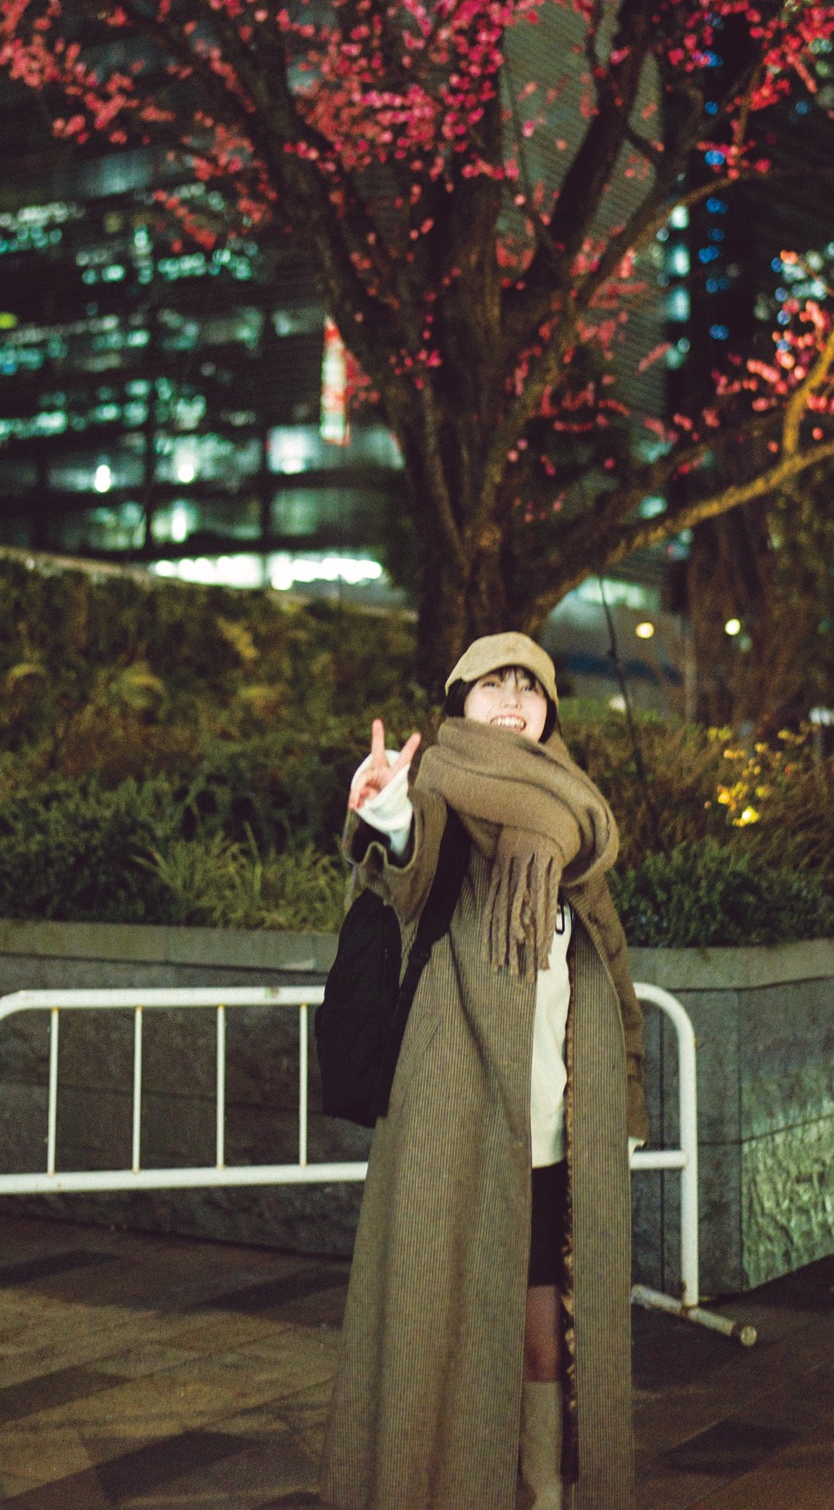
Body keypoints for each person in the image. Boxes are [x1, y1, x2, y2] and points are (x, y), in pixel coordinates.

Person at [319, 632, 648, 1510]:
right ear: (458, 700)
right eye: (491, 683)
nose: (511, 699)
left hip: (557, 1139)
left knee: (546, 1344)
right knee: (439, 1334)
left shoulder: (570, 824)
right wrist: (390, 813)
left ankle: (543, 1496)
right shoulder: (438, 797)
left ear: (549, 710)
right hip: (455, 1124)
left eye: (528, 686)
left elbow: (611, 970)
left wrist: (625, 1096)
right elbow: (405, 862)